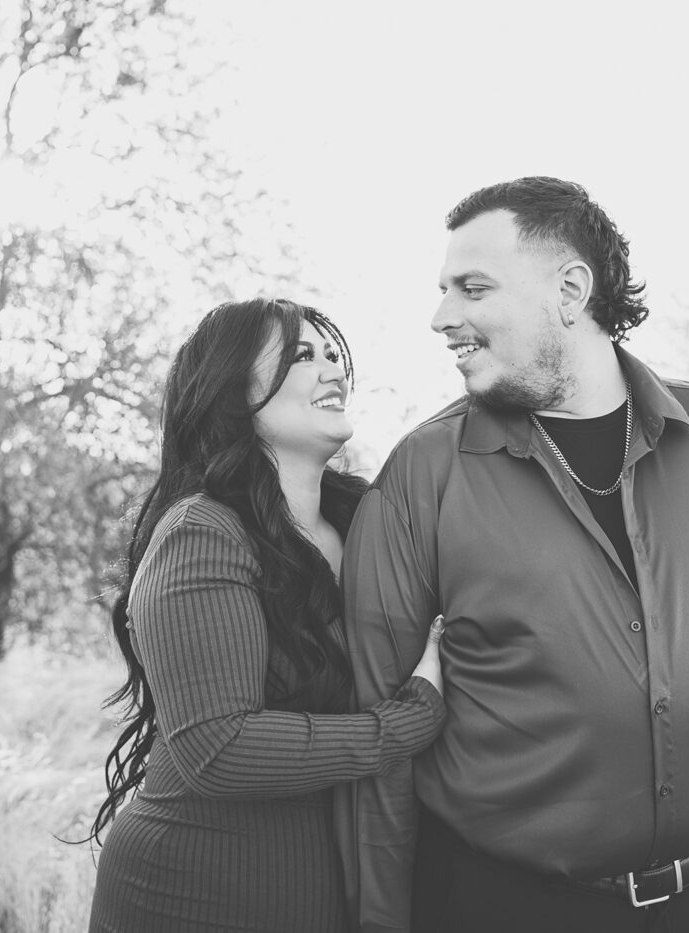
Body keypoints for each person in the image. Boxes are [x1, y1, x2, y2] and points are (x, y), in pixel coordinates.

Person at [335, 177, 689, 933]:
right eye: (443, 291)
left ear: (570, 288)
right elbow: (377, 748)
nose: (441, 317)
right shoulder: (421, 474)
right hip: (494, 907)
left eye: (472, 288)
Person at [88, 298, 447, 933]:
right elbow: (217, 747)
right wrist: (408, 721)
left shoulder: (366, 523)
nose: (332, 371)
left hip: (326, 885)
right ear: (232, 391)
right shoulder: (203, 532)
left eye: (333, 355)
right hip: (193, 888)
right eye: (302, 356)